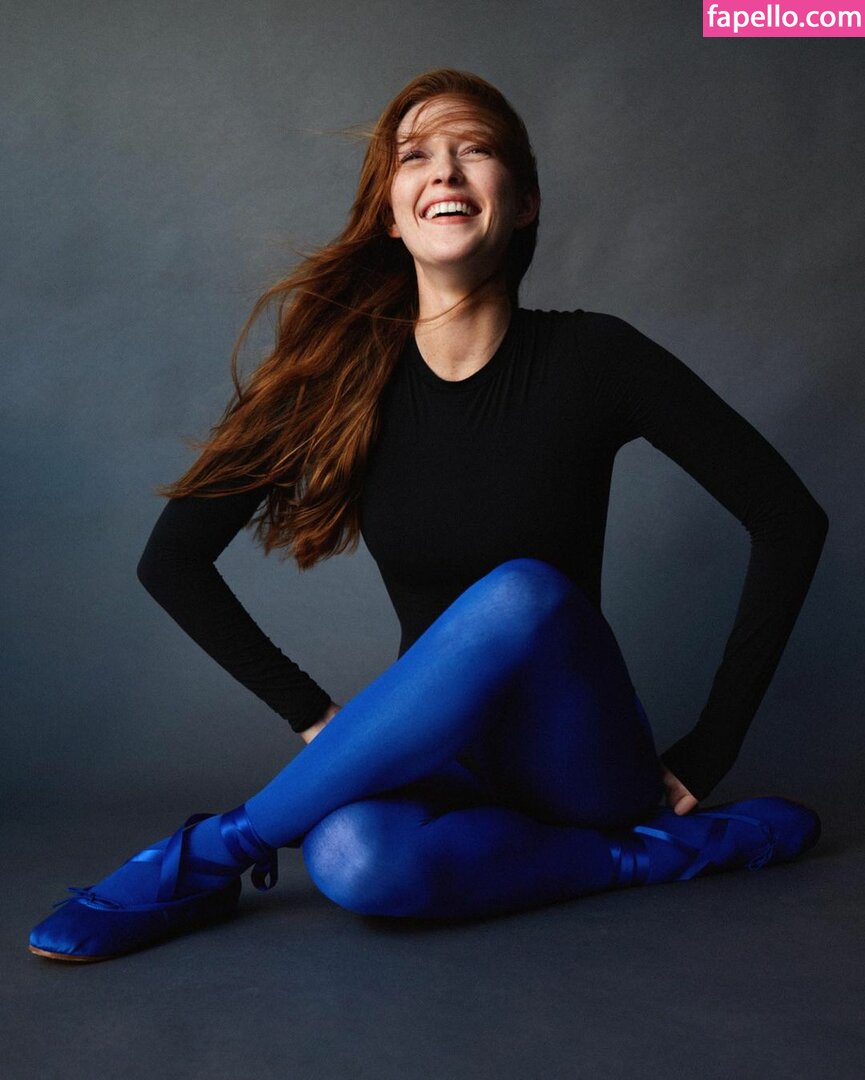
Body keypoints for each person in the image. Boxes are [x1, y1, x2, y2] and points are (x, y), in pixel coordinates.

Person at [29, 69, 829, 962]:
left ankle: (214, 851)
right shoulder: (339, 376)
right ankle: (636, 857)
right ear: (389, 212)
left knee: (523, 591)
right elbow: (171, 560)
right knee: (351, 860)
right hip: (441, 758)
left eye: (473, 150)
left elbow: (788, 519)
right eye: (415, 156)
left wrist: (712, 747)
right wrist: (315, 717)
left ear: (522, 203)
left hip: (580, 760)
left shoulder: (595, 356)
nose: (444, 170)